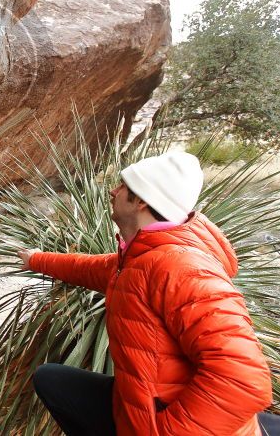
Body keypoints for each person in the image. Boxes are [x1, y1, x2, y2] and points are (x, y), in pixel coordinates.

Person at [18, 151, 272, 436]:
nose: (113, 191)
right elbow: (93, 268)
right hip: (141, 406)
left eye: (122, 186)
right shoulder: (143, 257)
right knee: (51, 380)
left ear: (141, 201)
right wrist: (36, 259)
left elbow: (243, 380)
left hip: (169, 424)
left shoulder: (182, 268)